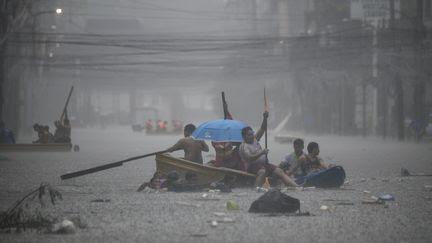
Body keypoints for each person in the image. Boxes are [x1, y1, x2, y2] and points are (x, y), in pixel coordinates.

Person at [239, 111, 299, 187]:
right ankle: (256, 189)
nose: (252, 136)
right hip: (252, 166)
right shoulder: (244, 146)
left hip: (264, 164)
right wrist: (262, 153)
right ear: (244, 136)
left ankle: (296, 187)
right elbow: (249, 158)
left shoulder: (254, 139)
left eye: (252, 134)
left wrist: (264, 118)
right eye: (249, 135)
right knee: (262, 172)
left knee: (280, 171)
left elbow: (262, 129)